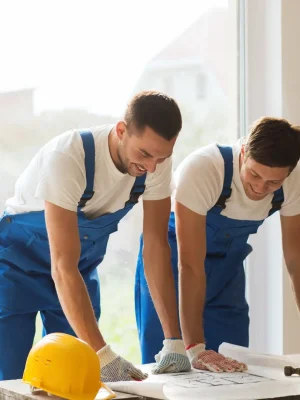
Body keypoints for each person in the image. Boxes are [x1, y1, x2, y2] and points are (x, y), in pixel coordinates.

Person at [0, 90, 189, 381]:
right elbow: (62, 266)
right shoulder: (68, 156)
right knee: (11, 377)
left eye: (163, 157)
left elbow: (155, 247)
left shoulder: (156, 164)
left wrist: (173, 339)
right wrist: (102, 355)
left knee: (70, 378)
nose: (152, 167)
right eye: (145, 154)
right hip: (16, 267)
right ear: (121, 130)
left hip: (79, 268)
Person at [136, 117, 300, 373]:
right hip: (174, 265)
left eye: (273, 183)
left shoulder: (294, 180)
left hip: (228, 271)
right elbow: (189, 264)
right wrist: (194, 348)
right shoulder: (205, 169)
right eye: (254, 174)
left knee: (231, 365)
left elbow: (296, 261)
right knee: (173, 365)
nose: (260, 187)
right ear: (244, 151)